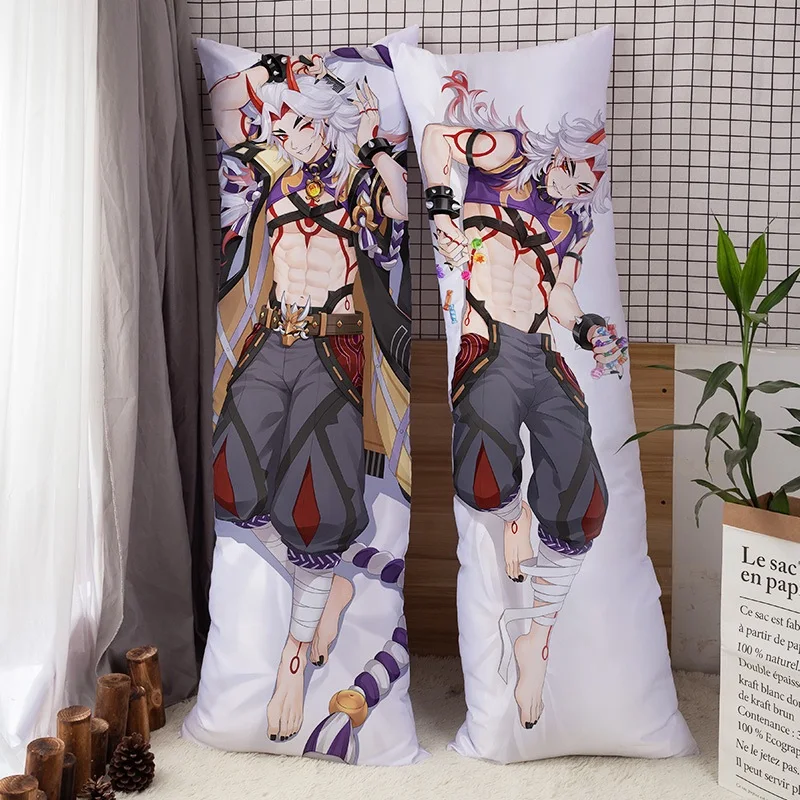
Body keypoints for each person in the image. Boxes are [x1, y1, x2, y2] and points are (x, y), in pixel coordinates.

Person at [208, 52, 410, 742]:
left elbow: (399, 209)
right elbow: (224, 106)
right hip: (272, 339)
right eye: (283, 124)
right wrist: (266, 72)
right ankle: (327, 586)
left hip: (333, 346)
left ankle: (294, 655)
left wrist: (375, 142)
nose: (289, 134)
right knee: (232, 480)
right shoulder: (267, 174)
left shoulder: (355, 181)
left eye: (300, 123)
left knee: (314, 504)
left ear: (326, 126)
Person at [420, 70, 627, 729]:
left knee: (584, 501)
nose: (584, 190)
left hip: (541, 350)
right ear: (564, 156)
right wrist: (444, 213)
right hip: (487, 340)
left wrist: (589, 329)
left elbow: (560, 293)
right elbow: (435, 137)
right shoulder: (504, 153)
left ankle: (535, 638)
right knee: (483, 474)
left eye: (592, 185)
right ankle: (513, 514)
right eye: (582, 176)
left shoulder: (574, 220)